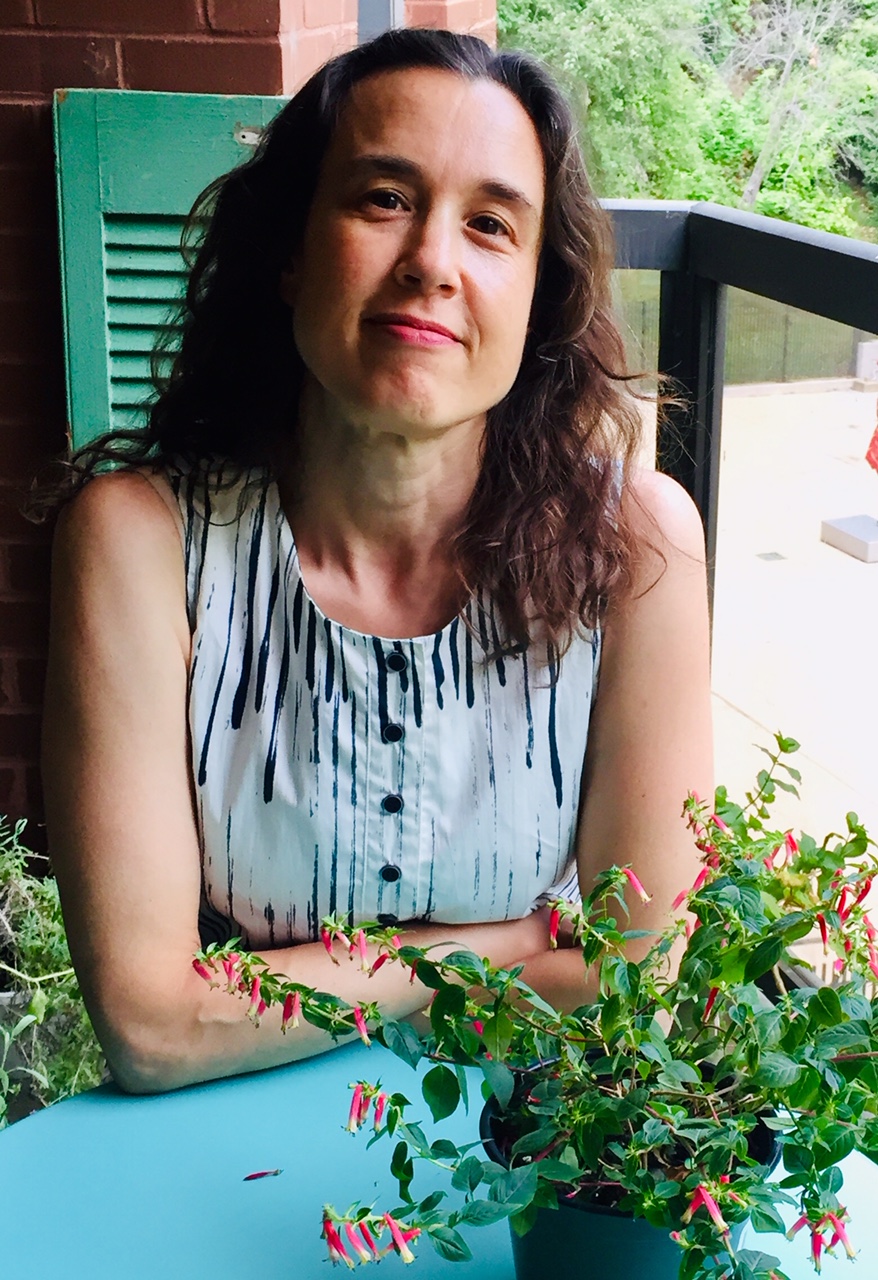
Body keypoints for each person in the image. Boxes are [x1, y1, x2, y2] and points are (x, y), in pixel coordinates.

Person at [40, 29, 712, 1094]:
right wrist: (496, 945)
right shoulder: (140, 542)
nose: (433, 263)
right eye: (383, 198)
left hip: (519, 1145)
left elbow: (636, 978)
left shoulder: (635, 550)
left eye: (490, 225)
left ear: (537, 294)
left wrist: (261, 993)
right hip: (216, 1135)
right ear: (291, 250)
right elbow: (151, 1024)